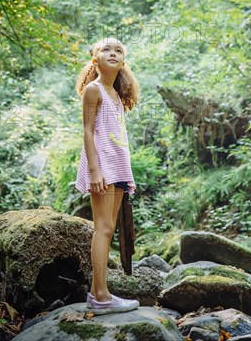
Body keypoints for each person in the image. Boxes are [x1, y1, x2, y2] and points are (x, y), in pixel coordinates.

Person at [74, 37, 140, 314]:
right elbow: (88, 131)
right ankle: (101, 296)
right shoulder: (94, 90)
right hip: (101, 167)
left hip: (118, 166)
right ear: (95, 60)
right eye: (105, 49)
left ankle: (96, 292)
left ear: (123, 62)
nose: (112, 53)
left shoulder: (116, 95)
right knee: (102, 229)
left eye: (118, 51)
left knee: (108, 229)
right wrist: (93, 170)